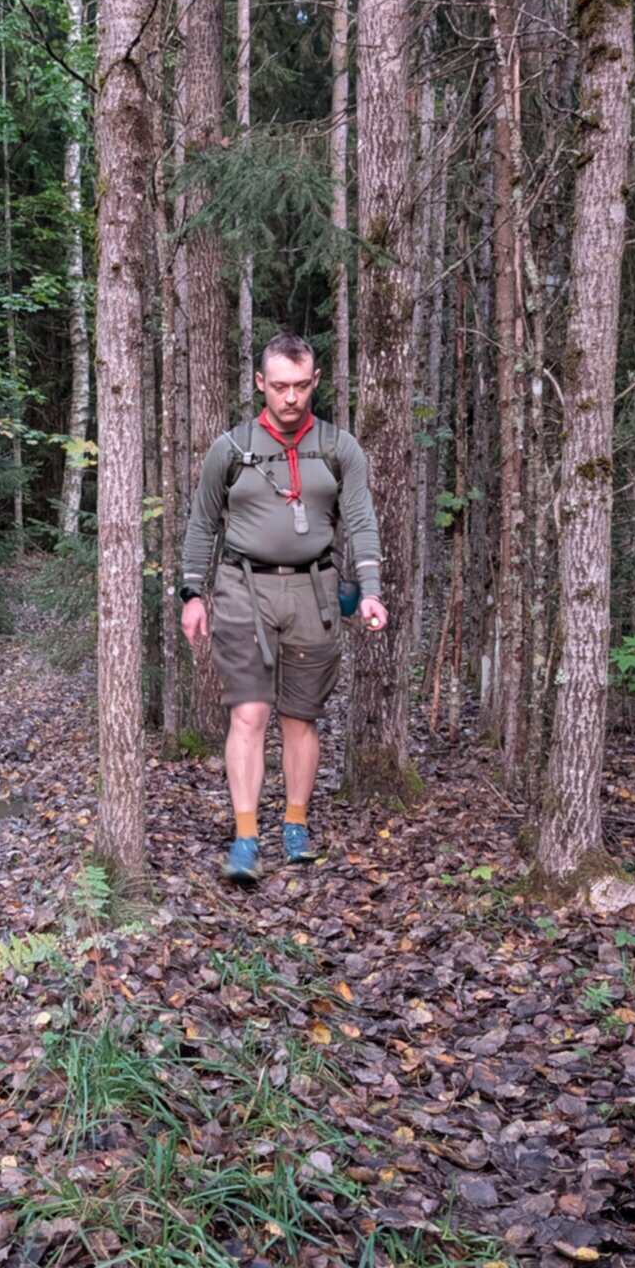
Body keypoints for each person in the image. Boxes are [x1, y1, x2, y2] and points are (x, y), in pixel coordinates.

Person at [178, 333, 388, 880]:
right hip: (242, 588)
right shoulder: (230, 448)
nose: (290, 398)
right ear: (260, 384)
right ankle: (246, 836)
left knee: (300, 716)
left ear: (315, 381)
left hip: (314, 591)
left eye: (300, 386)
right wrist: (192, 592)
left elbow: (361, 521)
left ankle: (295, 824)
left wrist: (370, 590)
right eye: (279, 387)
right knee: (249, 712)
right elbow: (202, 522)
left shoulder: (340, 448)